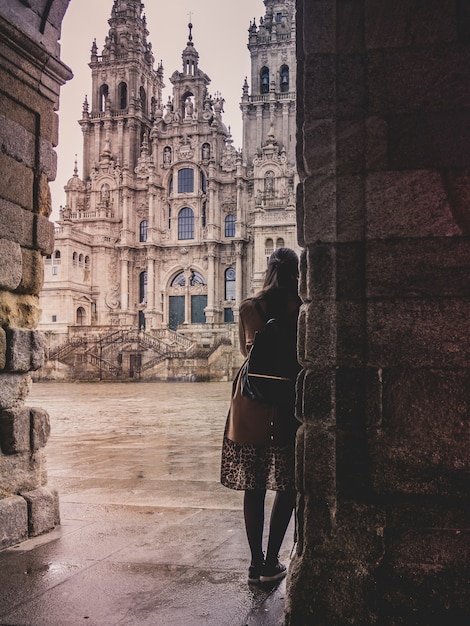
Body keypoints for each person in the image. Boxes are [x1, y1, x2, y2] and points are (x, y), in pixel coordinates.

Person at [221, 247, 301, 584]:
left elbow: (245, 351)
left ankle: (256, 565)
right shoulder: (299, 307)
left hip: (250, 401)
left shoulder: (248, 307)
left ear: (268, 270)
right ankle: (272, 560)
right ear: (296, 272)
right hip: (286, 401)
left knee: (253, 485)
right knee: (288, 484)